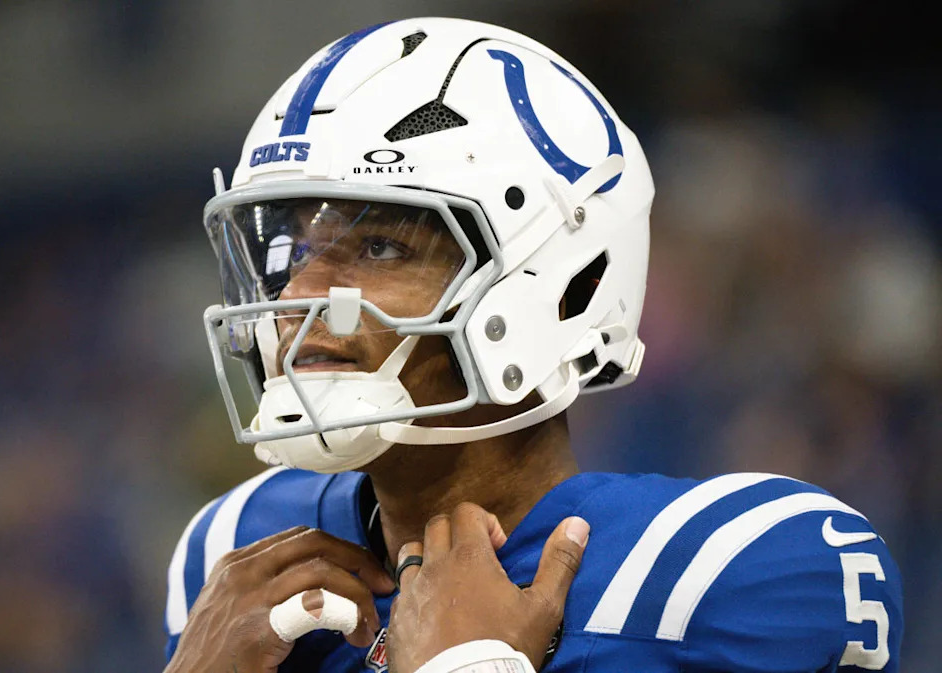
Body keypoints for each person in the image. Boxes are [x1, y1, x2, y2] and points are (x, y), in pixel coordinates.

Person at [164, 17, 903, 673]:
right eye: (292, 247)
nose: (297, 293)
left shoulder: (733, 569)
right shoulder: (235, 549)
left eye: (382, 246)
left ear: (555, 282)